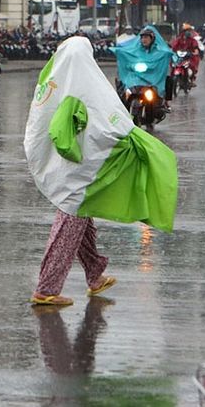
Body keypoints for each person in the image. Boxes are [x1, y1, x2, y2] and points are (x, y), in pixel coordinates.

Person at [25, 36, 178, 306]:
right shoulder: (78, 88)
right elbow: (68, 132)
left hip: (75, 173)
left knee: (82, 223)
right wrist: (83, 158)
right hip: (80, 175)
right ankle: (46, 289)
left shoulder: (59, 82)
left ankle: (95, 274)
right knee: (68, 228)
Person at [112, 26, 176, 101]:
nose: (144, 40)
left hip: (153, 78)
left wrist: (168, 55)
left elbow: (165, 55)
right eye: (142, 38)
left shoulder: (158, 52)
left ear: (152, 39)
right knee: (124, 89)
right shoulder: (136, 50)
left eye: (146, 37)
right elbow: (129, 56)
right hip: (137, 79)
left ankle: (164, 102)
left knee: (168, 80)